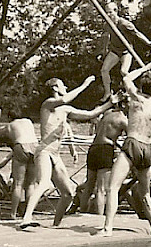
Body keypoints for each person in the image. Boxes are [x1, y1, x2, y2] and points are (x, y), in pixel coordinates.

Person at [19, 75, 113, 229]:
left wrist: (110, 103)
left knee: (68, 194)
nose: (66, 88)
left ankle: (56, 225)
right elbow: (64, 99)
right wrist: (84, 85)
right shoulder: (48, 104)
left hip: (55, 155)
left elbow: (90, 114)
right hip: (44, 151)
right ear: (55, 88)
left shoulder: (66, 110)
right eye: (63, 85)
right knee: (44, 182)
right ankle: (26, 218)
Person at [100, 61, 151, 237]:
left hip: (133, 143)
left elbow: (126, 76)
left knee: (112, 188)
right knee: (145, 194)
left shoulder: (136, 99)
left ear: (142, 85)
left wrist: (145, 68)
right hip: (148, 147)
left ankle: (107, 228)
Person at [99, 1, 151, 101]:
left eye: (110, 12)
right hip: (115, 51)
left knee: (124, 72)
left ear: (116, 11)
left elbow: (137, 33)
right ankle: (108, 93)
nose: (108, 15)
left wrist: (148, 42)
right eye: (106, 12)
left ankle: (132, 91)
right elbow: (105, 37)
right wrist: (103, 50)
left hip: (126, 51)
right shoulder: (107, 25)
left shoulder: (124, 24)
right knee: (104, 70)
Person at [78, 97, 127, 215]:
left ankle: (82, 211)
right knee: (101, 189)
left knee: (89, 185)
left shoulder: (107, 114)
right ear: (124, 105)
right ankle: (99, 217)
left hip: (94, 148)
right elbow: (132, 138)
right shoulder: (123, 120)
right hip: (105, 149)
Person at [0, 117, 40, 220]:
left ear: (9, 118)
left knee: (18, 184)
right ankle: (29, 213)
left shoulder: (9, 126)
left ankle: (13, 213)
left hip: (21, 146)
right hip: (35, 146)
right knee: (31, 184)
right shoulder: (28, 121)